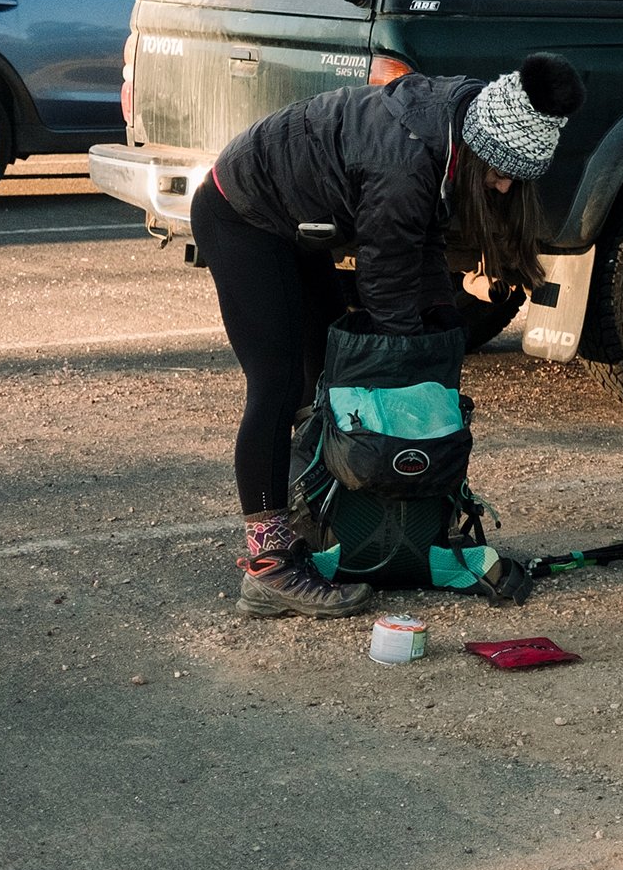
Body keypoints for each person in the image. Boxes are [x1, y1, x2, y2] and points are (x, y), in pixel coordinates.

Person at [192, 54, 585, 617]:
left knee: (326, 371)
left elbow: (418, 241)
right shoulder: (404, 164)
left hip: (298, 221)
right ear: (479, 153)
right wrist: (413, 369)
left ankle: (320, 524)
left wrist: (443, 325)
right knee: (278, 385)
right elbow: (385, 276)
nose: (502, 188)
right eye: (499, 175)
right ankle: (270, 565)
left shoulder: (470, 113)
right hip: (242, 215)